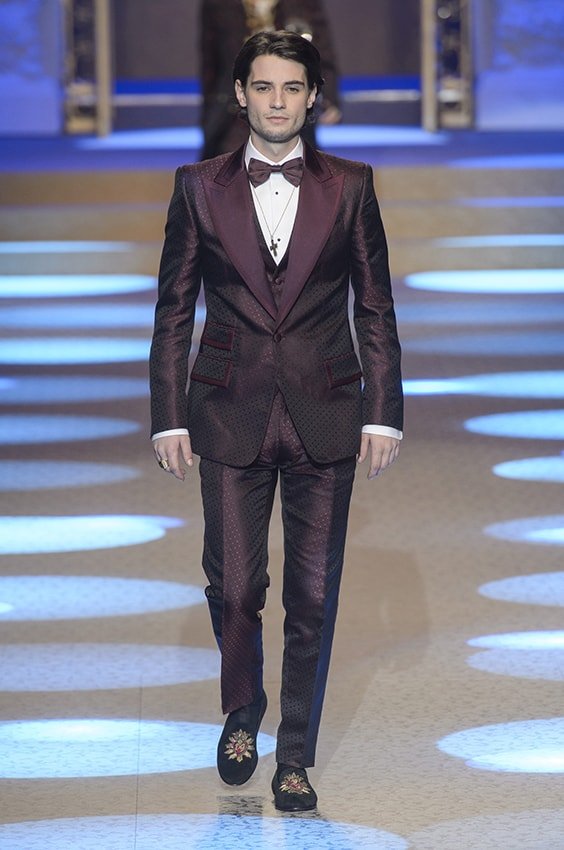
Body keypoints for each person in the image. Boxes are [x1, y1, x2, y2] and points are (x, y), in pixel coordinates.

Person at [149, 30, 403, 812]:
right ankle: (243, 705)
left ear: (313, 97)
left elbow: (375, 303)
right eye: (263, 87)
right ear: (240, 95)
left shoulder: (351, 185)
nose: (278, 102)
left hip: (328, 406)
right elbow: (174, 308)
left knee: (314, 596)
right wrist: (167, 416)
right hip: (228, 408)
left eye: (293, 87)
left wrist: (384, 413)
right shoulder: (198, 186)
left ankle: (294, 755)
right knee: (234, 587)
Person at [198, 0, 341, 160]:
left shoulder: (302, 4)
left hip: (292, 106)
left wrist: (328, 97)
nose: (276, 102)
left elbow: (320, 51)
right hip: (232, 110)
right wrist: (209, 114)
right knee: (229, 164)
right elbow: (210, 64)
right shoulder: (218, 4)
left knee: (299, 158)